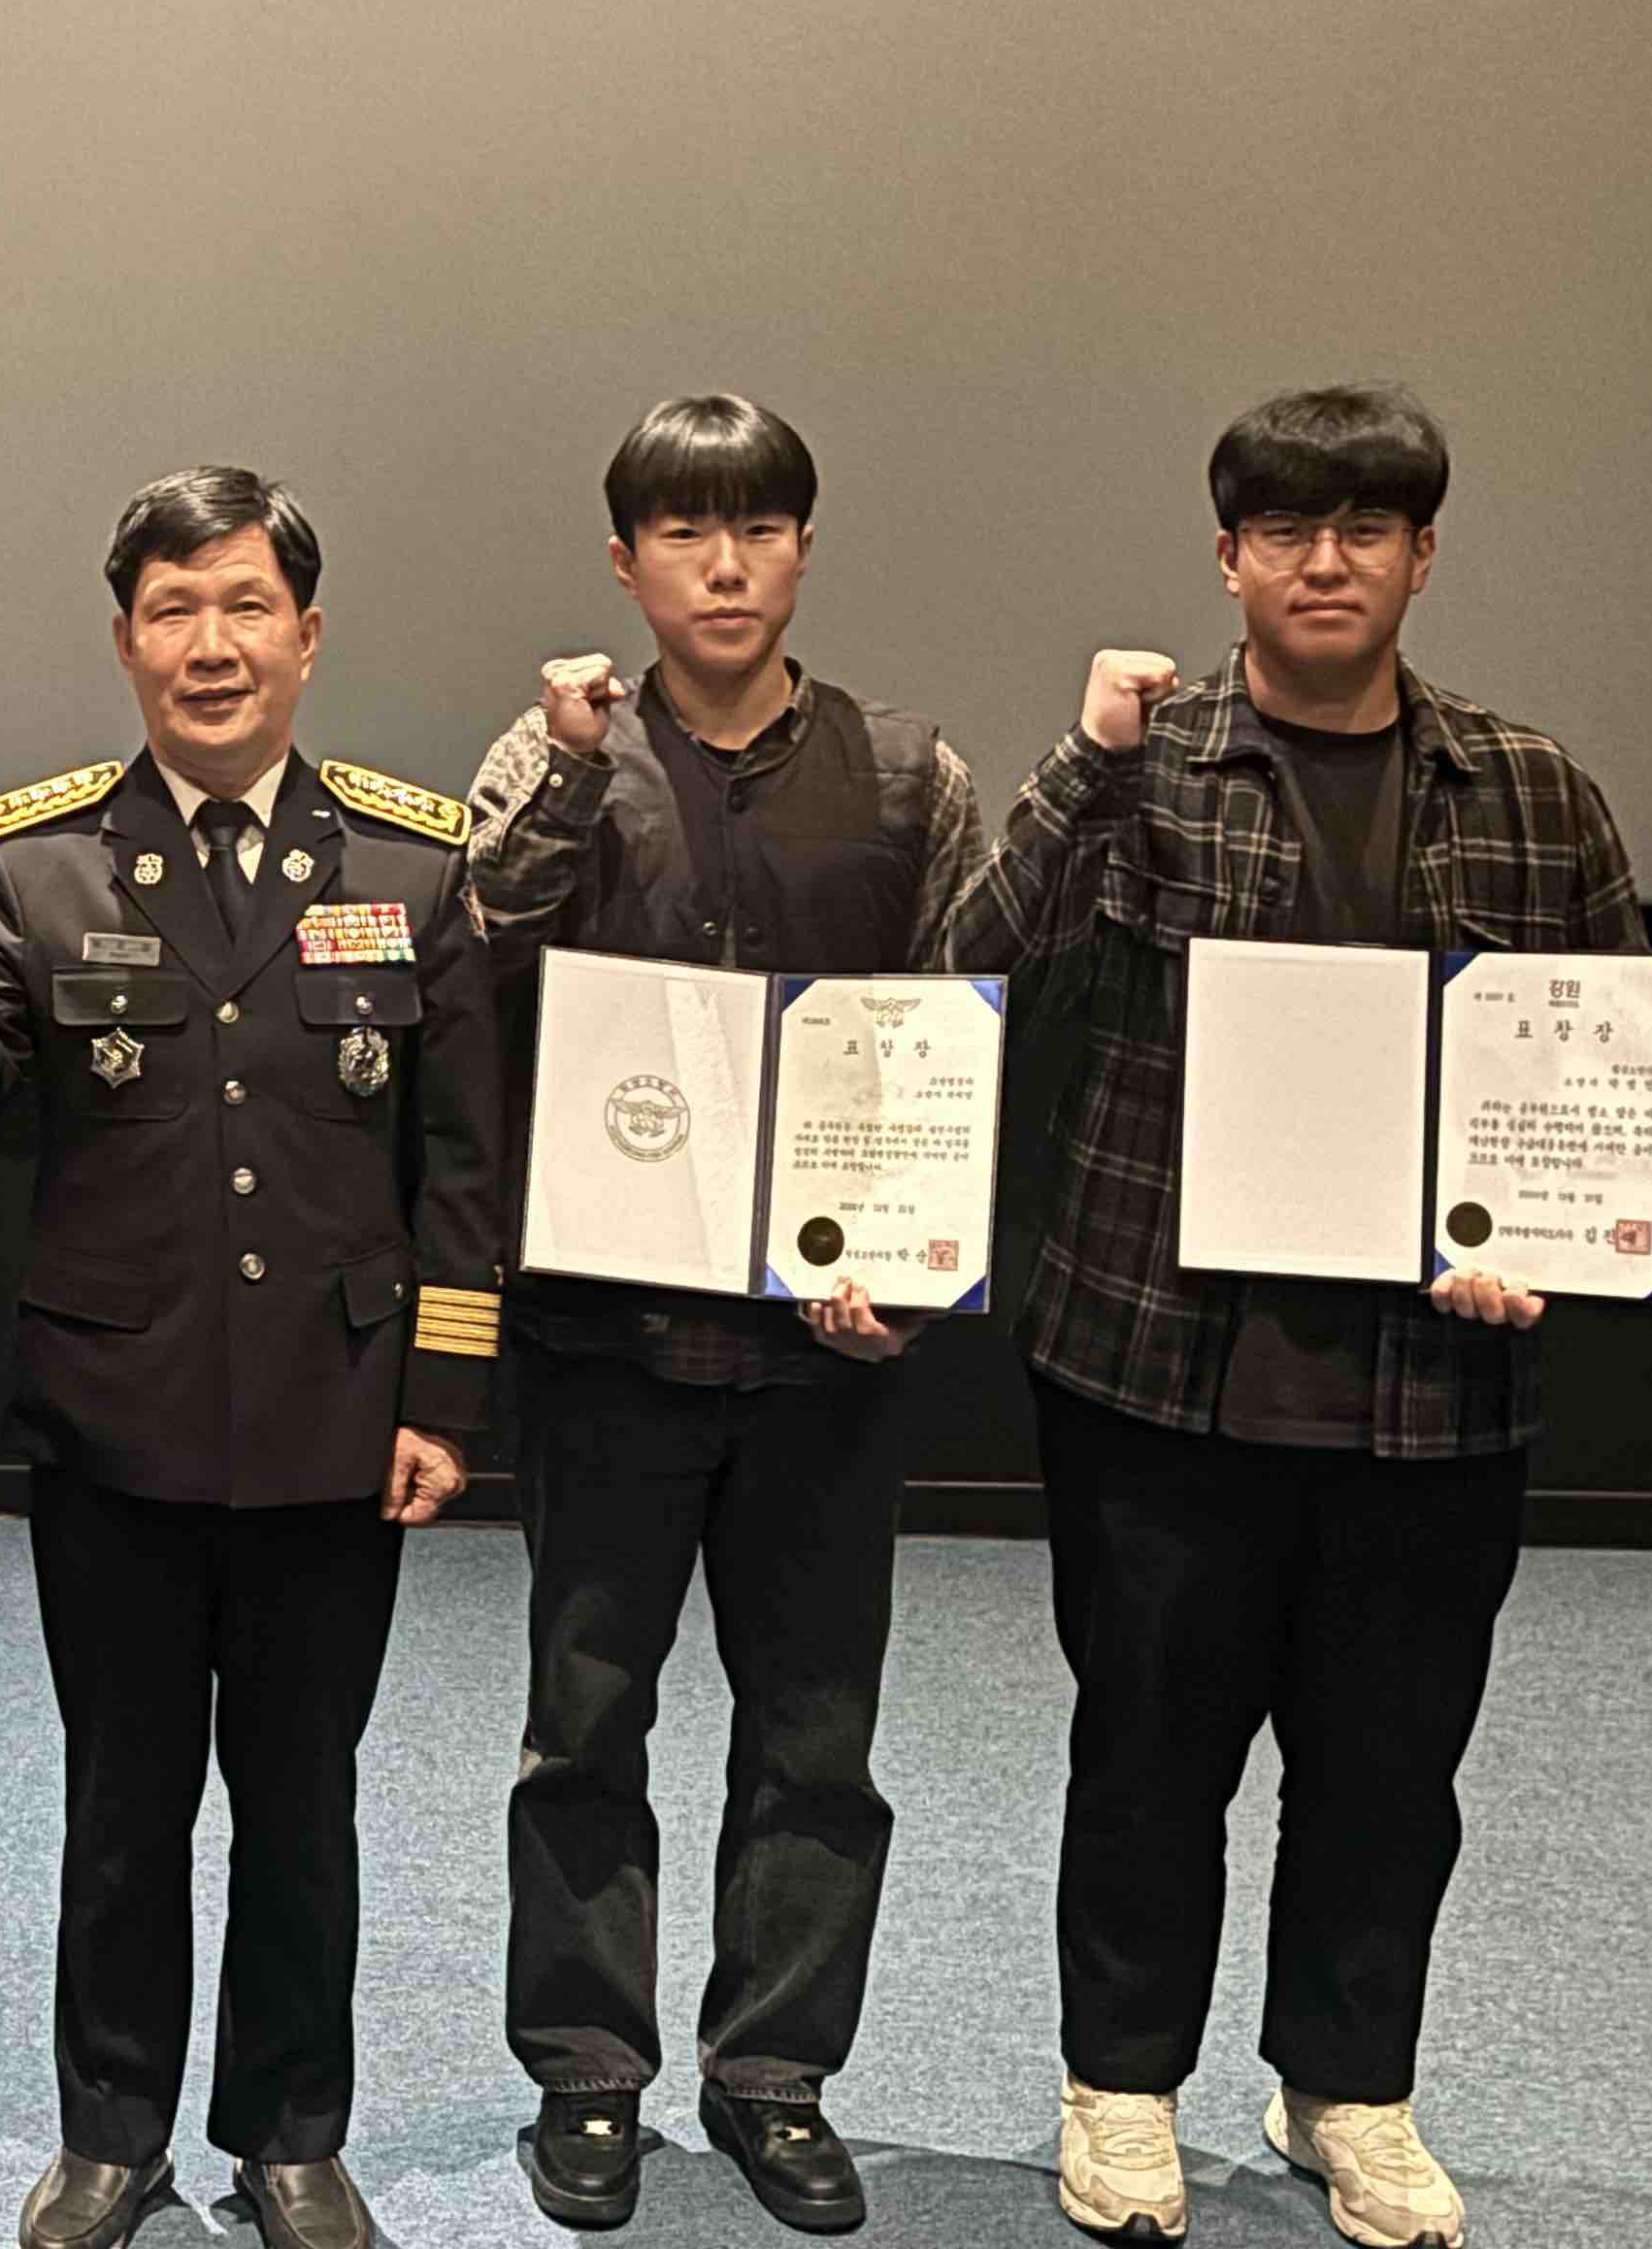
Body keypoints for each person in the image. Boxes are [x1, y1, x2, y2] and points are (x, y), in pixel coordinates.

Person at [948, 385, 1638, 2249]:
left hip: (1435, 1380)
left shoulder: (1533, 788)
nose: (1325, 562)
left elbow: (1606, 1073)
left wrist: (1549, 1238)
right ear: (1229, 556)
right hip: (1158, 1363)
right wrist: (1082, 763)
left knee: (1391, 1772)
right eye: (1284, 530)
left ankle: (1349, 2089)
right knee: (1146, 1754)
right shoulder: (1147, 764)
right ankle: (1121, 2086)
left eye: (1366, 529)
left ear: (1422, 554)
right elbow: (970, 973)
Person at [0, 465, 504, 2249]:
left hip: (334, 1414)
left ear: (307, 636)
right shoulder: (33, 861)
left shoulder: (412, 860)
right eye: (173, 611)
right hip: (116, 1416)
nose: (209, 645)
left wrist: (444, 1401)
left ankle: (293, 2133)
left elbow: (463, 1166)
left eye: (245, 607)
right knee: (124, 1801)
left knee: (304, 1805)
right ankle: (112, 2127)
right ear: (127, 640)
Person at [460, 397, 984, 2234]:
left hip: (824, 1350)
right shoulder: (559, 752)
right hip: (606, 1336)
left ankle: (774, 2077)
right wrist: (557, 761)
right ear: (627, 565)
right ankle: (585, 2073)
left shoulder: (911, 772)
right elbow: (480, 947)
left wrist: (908, 1271)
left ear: (804, 551)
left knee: (817, 1738)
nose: (726, 564)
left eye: (759, 527)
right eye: (685, 533)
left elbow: (949, 1031)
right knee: (582, 1728)